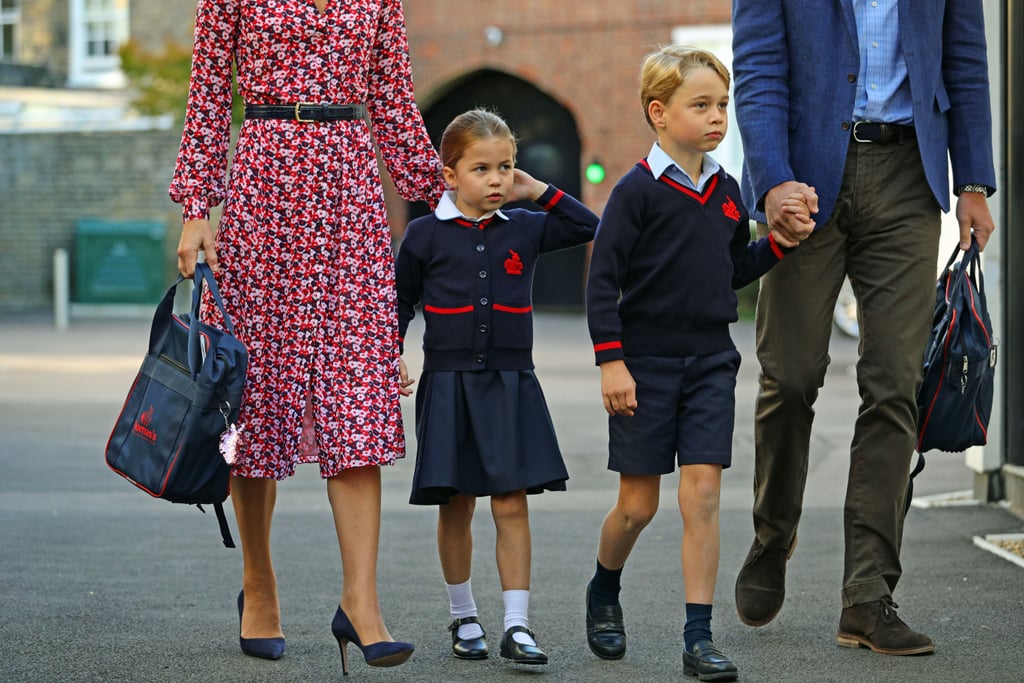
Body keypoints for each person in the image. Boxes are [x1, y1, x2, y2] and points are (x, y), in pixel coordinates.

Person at [168, 0, 444, 675]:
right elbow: (208, 91)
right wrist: (196, 208)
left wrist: (448, 200)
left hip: (351, 191)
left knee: (358, 393)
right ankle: (259, 584)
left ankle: (362, 601)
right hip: (263, 187)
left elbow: (394, 99)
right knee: (256, 397)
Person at [731, 0, 997, 657]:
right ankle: (772, 533)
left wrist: (973, 182)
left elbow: (965, 61)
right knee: (789, 377)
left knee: (895, 385)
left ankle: (869, 596)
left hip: (910, 177)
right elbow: (759, 66)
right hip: (804, 175)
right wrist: (771, 182)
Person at [583, 46, 813, 681]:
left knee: (703, 496)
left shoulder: (729, 190)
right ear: (659, 113)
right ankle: (604, 590)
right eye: (702, 105)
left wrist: (779, 246)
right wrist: (611, 363)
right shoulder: (634, 192)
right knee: (637, 506)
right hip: (645, 366)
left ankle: (698, 638)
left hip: (712, 361)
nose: (718, 117)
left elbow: (733, 270)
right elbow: (602, 285)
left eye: (723, 105)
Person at [395, 108, 598, 666]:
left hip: (512, 383)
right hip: (448, 383)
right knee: (456, 503)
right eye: (481, 168)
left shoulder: (527, 227)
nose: (496, 179)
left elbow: (590, 229)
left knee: (511, 503)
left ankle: (516, 625)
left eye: (505, 167)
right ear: (449, 174)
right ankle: (464, 617)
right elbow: (399, 301)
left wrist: (538, 190)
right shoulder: (423, 233)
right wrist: (390, 354)